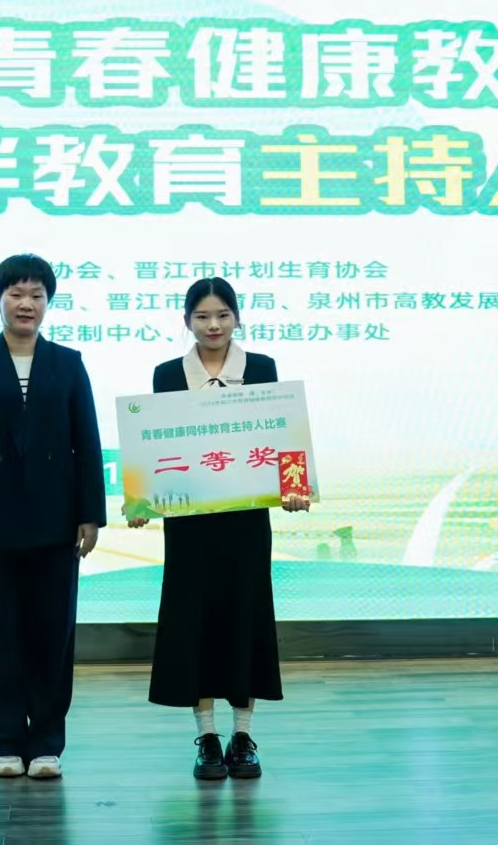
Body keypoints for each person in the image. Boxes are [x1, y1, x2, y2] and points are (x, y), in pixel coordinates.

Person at [130, 277, 312, 781]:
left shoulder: (262, 369)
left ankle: (243, 735)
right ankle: (208, 736)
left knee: (244, 615)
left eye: (222, 315)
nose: (213, 325)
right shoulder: (168, 374)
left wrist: (294, 486)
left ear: (237, 317)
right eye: (202, 316)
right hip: (190, 523)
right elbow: (155, 443)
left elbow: (283, 432)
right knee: (194, 620)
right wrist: (142, 498)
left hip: (246, 520)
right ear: (187, 321)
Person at [0, 254, 105, 781]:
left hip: (57, 523)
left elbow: (87, 442)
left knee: (53, 637)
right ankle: (7, 742)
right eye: (16, 294)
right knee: (1, 637)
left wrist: (90, 514)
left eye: (36, 295)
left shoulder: (69, 363)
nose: (26, 304)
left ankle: (48, 744)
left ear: (48, 302)